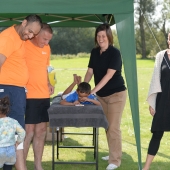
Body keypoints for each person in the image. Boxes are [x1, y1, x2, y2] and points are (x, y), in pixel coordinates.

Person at [0, 14, 42, 170]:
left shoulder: (20, 38)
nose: (30, 36)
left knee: (14, 135)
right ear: (24, 23)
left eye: (33, 34)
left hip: (16, 92)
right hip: (6, 90)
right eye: (30, 31)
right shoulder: (8, 38)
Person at [84, 23, 127, 170]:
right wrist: (83, 87)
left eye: (103, 36)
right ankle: (112, 152)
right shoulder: (94, 52)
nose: (101, 38)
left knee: (114, 127)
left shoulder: (115, 53)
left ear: (109, 37)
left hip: (116, 94)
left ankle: (115, 160)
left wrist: (93, 91)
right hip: (101, 96)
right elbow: (90, 71)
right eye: (98, 36)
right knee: (107, 126)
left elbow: (109, 76)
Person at [23, 23, 54, 170]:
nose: (46, 43)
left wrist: (48, 82)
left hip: (44, 96)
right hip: (29, 96)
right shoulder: (24, 45)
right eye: (44, 39)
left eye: (49, 40)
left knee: (41, 132)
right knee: (28, 133)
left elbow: (46, 68)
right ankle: (21, 165)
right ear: (36, 34)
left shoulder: (47, 49)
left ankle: (38, 165)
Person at [142, 33, 170, 170]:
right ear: (168, 40)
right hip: (162, 101)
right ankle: (146, 167)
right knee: (157, 134)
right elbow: (155, 80)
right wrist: (152, 103)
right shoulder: (160, 56)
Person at [0, 96, 25, 169]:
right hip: (11, 150)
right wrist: (18, 142)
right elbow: (22, 132)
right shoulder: (13, 121)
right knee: (8, 167)